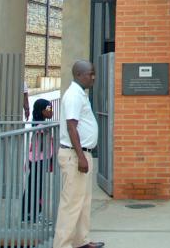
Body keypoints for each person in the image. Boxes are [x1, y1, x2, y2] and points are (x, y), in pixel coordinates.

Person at [53, 61, 104, 248]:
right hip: (75, 156)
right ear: (79, 74)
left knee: (83, 203)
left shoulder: (80, 94)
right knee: (71, 204)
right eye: (90, 73)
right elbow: (71, 126)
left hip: (81, 155)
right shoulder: (73, 95)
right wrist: (81, 157)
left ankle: (81, 241)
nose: (93, 77)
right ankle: (62, 245)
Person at [21, 98, 54, 223]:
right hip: (37, 161)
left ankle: (30, 213)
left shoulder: (40, 124)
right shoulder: (40, 126)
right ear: (41, 111)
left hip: (39, 160)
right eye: (48, 109)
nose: (51, 111)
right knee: (35, 188)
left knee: (34, 187)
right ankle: (32, 214)